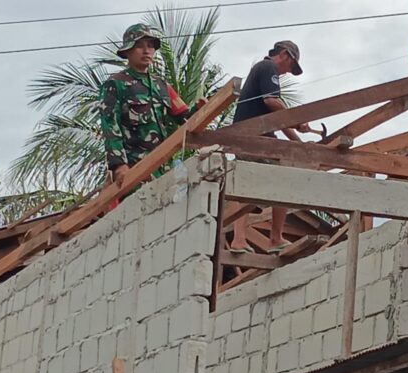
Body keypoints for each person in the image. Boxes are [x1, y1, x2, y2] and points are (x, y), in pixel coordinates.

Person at [99, 24, 209, 187]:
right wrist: (119, 165)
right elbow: (110, 126)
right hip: (133, 169)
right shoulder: (116, 84)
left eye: (150, 46)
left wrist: (199, 109)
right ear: (128, 51)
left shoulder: (162, 86)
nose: (146, 51)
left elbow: (184, 117)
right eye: (139, 46)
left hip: (162, 168)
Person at [229, 41, 311, 255]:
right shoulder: (268, 68)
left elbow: (276, 118)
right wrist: (297, 120)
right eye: (291, 67)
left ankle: (239, 239)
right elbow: (272, 102)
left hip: (247, 136)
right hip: (255, 138)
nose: (288, 72)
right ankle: (275, 238)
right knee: (282, 179)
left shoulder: (261, 70)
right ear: (285, 55)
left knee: (244, 186)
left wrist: (297, 141)